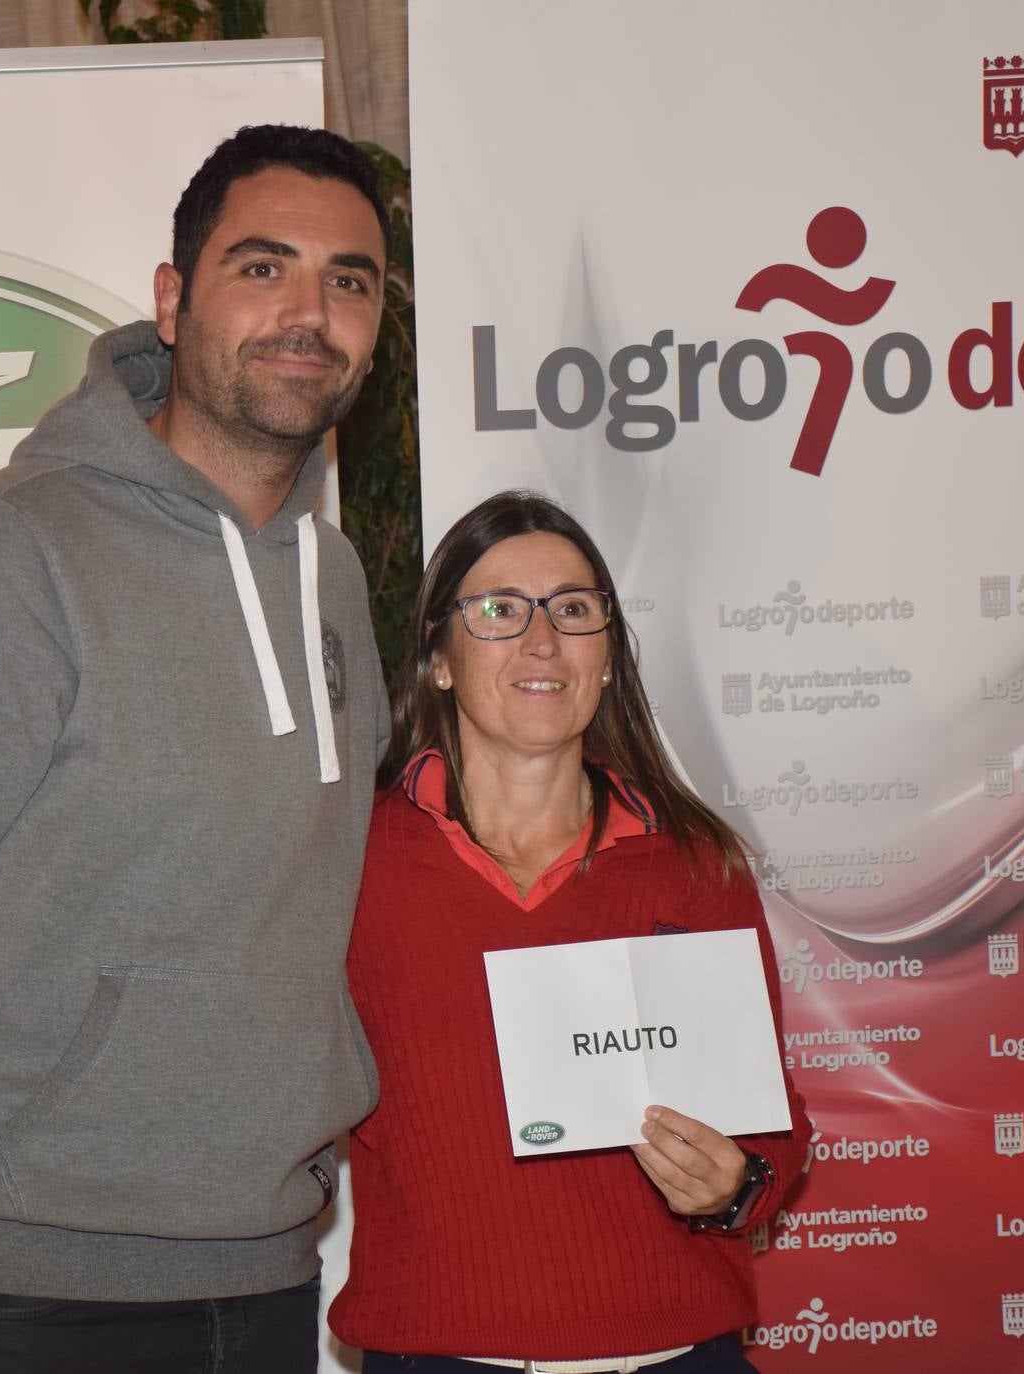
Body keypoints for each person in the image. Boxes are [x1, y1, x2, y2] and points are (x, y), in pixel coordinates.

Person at [0, 124, 392, 1374]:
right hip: (12, 1288)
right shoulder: (4, 555)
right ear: (172, 299)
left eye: (350, 281)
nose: (308, 312)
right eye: (263, 268)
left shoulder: (334, 575)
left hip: (264, 1273)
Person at [329, 491, 812, 1373]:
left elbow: (773, 1127)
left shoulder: (694, 864)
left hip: (678, 1352)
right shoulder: (348, 865)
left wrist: (734, 1186)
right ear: (438, 656)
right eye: (500, 610)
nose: (541, 641)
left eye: (574, 610)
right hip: (438, 1353)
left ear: (606, 658)